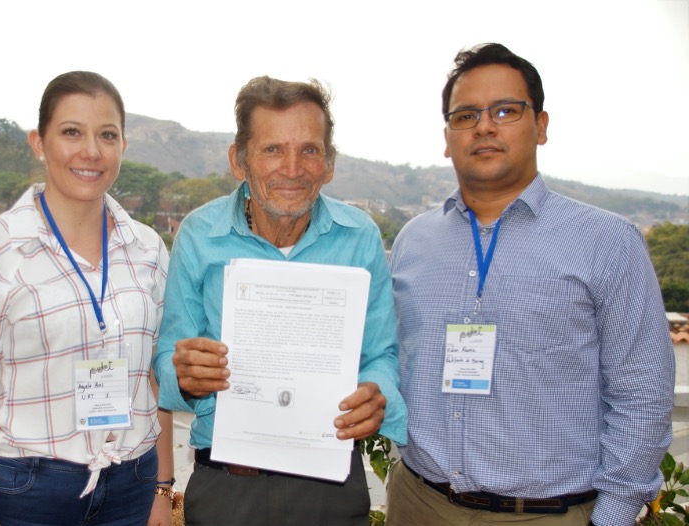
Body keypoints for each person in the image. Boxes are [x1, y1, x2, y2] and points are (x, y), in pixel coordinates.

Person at [386, 43, 675, 526]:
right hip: (419, 503)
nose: (484, 126)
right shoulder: (416, 240)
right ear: (447, 136)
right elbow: (390, 356)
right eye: (465, 115)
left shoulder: (608, 241)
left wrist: (615, 515)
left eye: (505, 110)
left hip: (547, 515)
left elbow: (642, 394)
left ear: (540, 126)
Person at [153, 75, 406, 526]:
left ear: (329, 163)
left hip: (329, 485)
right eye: (272, 149)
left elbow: (381, 353)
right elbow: (169, 374)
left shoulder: (360, 236)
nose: (293, 168)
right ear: (239, 160)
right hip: (227, 487)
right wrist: (188, 372)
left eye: (309, 149)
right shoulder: (197, 233)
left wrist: (375, 391)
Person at [0, 71, 174, 526]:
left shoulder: (147, 249)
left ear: (123, 145)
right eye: (71, 132)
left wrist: (163, 487)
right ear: (38, 143)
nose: (91, 151)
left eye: (107, 135)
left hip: (131, 485)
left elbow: (151, 377)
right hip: (30, 491)